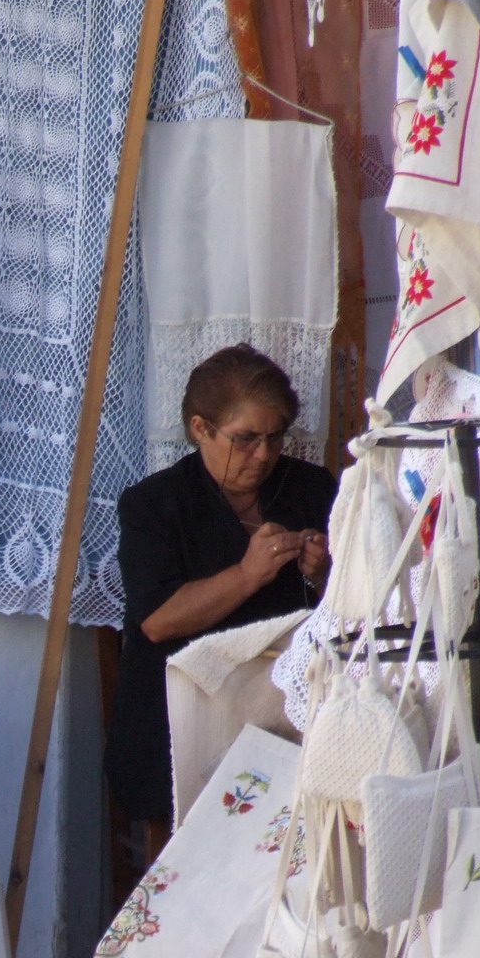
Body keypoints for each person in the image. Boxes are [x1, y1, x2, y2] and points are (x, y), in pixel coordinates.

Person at [106, 346, 336, 853]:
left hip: (284, 719)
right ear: (200, 429)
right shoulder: (154, 504)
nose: (263, 455)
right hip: (178, 729)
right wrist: (248, 575)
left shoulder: (311, 488)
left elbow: (349, 603)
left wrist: (322, 574)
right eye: (245, 439)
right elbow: (157, 620)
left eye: (275, 437)